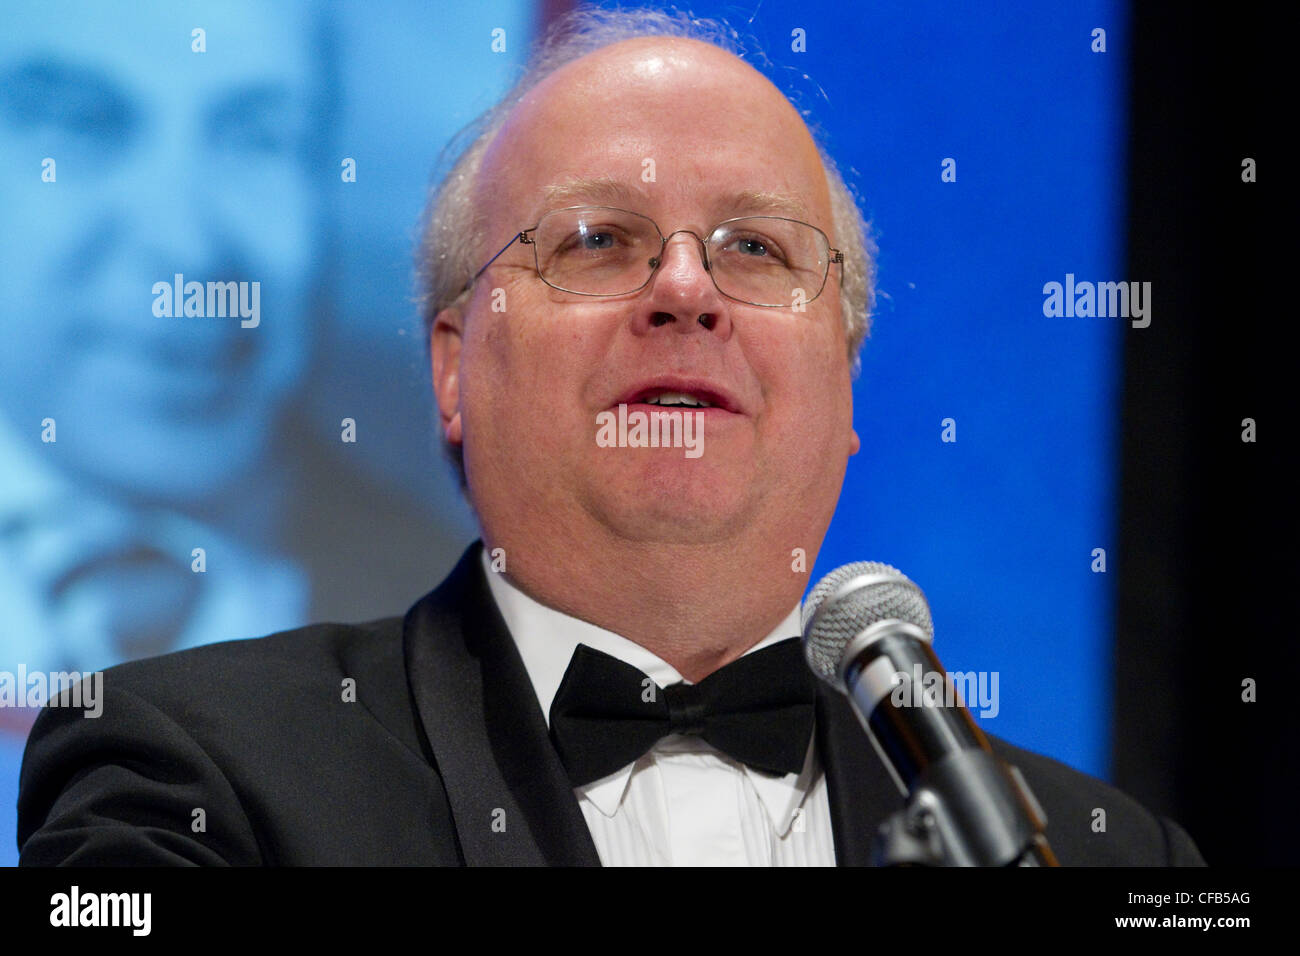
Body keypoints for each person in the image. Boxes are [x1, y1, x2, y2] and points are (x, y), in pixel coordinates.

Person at [16, 7, 1205, 866]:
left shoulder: (1113, 855)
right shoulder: (190, 773)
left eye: (755, 247)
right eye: (596, 239)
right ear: (452, 369)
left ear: (845, 391)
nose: (685, 291)